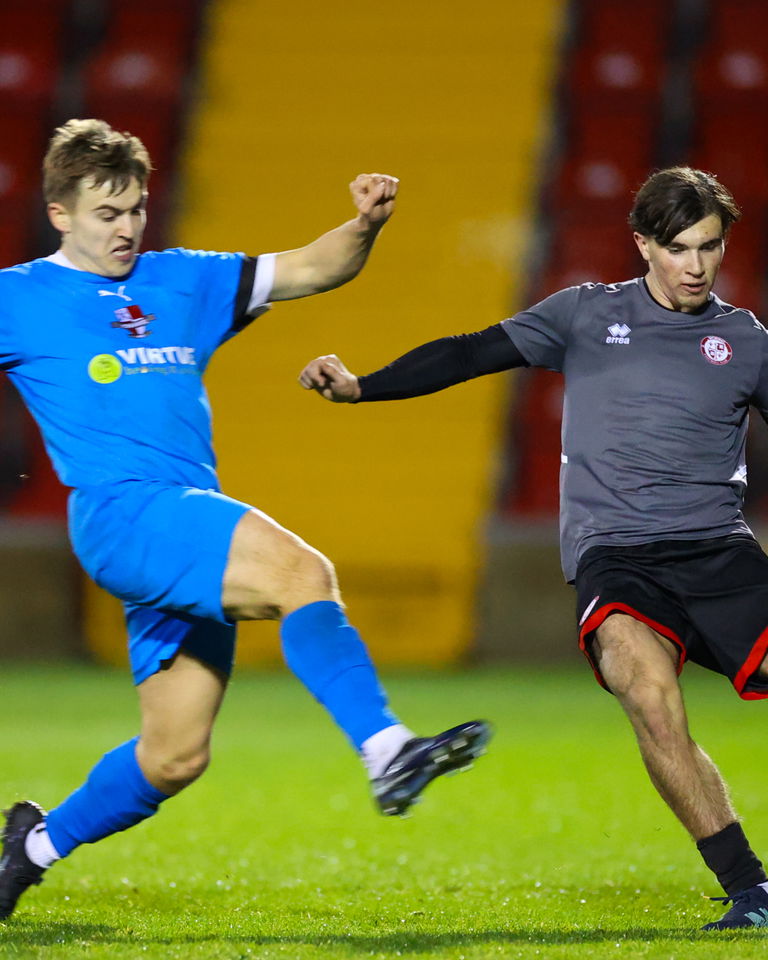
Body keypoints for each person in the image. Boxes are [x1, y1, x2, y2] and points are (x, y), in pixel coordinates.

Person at [0, 119, 491, 920]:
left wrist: (364, 226)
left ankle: (34, 848)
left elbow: (310, 266)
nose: (126, 228)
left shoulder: (179, 281)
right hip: (125, 513)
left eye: (135, 209)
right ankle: (388, 750)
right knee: (305, 573)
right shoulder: (17, 297)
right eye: (106, 213)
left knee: (174, 755)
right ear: (59, 213)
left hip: (179, 523)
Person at [299, 166, 768, 931]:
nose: (695, 266)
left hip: (717, 551)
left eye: (709, 247)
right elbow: (470, 352)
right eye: (678, 248)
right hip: (615, 557)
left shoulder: (744, 341)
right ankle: (750, 890)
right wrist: (362, 387)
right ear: (642, 244)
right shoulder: (585, 314)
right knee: (646, 694)